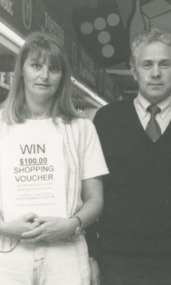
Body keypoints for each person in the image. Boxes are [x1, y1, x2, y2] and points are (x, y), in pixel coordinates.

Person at [89, 28, 171, 285]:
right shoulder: (107, 120)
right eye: (147, 64)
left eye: (164, 64)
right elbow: (91, 193)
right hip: (116, 264)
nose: (155, 73)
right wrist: (91, 255)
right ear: (134, 71)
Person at [0, 32, 108, 284]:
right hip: (9, 255)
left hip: (66, 255)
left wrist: (72, 225)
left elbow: (96, 198)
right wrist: (5, 227)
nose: (44, 76)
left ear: (63, 77)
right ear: (22, 70)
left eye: (54, 68)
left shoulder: (82, 129)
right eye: (36, 65)